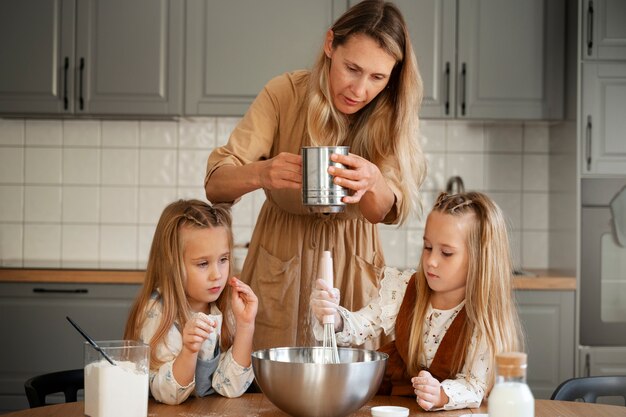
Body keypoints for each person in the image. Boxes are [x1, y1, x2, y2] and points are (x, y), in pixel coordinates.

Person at [204, 0, 427, 350]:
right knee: (265, 380)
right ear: (329, 46)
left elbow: (378, 212)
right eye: (352, 68)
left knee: (350, 381)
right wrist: (263, 172)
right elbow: (216, 185)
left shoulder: (390, 112)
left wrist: (373, 182)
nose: (360, 89)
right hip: (280, 255)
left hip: (352, 259)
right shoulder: (284, 93)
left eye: (377, 77)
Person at [310, 191, 524, 411]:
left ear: (481, 259)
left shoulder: (483, 319)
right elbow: (360, 326)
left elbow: (475, 385)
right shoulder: (404, 289)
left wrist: (441, 395)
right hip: (394, 405)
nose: (431, 261)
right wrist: (333, 316)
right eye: (428, 247)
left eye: (447, 253)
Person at [124, 200, 258, 405]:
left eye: (223, 259)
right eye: (203, 263)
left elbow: (231, 386)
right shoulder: (157, 313)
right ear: (172, 265)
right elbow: (169, 395)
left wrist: (246, 325)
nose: (217, 275)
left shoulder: (226, 307)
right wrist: (189, 350)